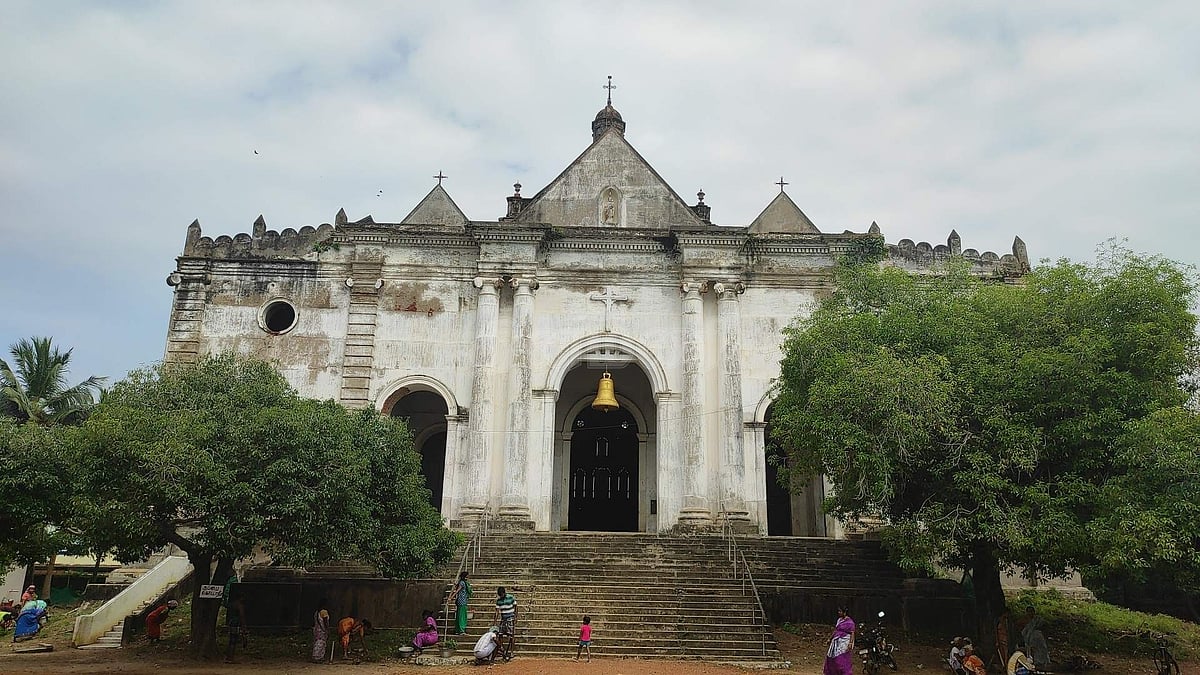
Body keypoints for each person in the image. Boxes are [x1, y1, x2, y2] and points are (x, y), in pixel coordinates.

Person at [822, 607, 855, 675]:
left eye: (840, 611)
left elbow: (852, 633)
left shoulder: (850, 622)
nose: (838, 613)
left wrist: (850, 643)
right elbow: (836, 630)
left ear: (844, 613)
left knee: (841, 658)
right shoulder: (839, 620)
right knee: (832, 657)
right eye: (838, 611)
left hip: (844, 641)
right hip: (836, 641)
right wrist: (830, 639)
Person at [495, 586, 517, 661]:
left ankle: (511, 651)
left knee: (511, 635)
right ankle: (502, 650)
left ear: (504, 593)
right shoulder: (498, 601)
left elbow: (516, 606)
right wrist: (494, 622)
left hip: (510, 618)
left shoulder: (511, 597)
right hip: (503, 619)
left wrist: (515, 617)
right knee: (500, 634)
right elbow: (497, 611)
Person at [224, 592, 247, 663]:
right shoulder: (240, 605)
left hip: (231, 622)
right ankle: (231, 658)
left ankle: (228, 657)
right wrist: (243, 626)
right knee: (233, 641)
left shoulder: (232, 605)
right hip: (236, 623)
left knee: (231, 640)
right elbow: (242, 616)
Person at [452, 571, 473, 635]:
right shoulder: (462, 583)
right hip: (462, 601)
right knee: (461, 616)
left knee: (460, 615)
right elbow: (457, 591)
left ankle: (458, 630)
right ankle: (461, 630)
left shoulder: (462, 582)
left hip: (461, 601)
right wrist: (451, 597)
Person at [311, 598, 330, 663]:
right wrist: (327, 629)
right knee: (321, 643)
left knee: (317, 642)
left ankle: (316, 656)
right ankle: (318, 657)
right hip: (322, 630)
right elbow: (325, 621)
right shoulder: (324, 612)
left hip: (317, 629)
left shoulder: (317, 612)